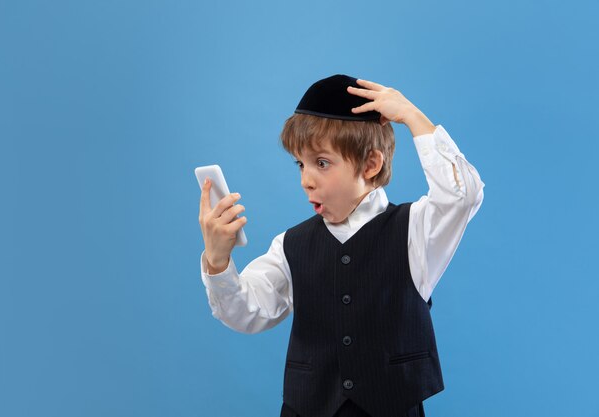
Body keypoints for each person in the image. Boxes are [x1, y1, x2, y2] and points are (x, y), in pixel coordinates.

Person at [197, 74, 485, 417]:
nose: (306, 180)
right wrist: (218, 261)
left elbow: (462, 194)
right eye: (300, 164)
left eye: (322, 163)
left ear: (371, 164)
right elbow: (245, 312)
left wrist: (412, 117)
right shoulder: (291, 245)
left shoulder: (415, 231)